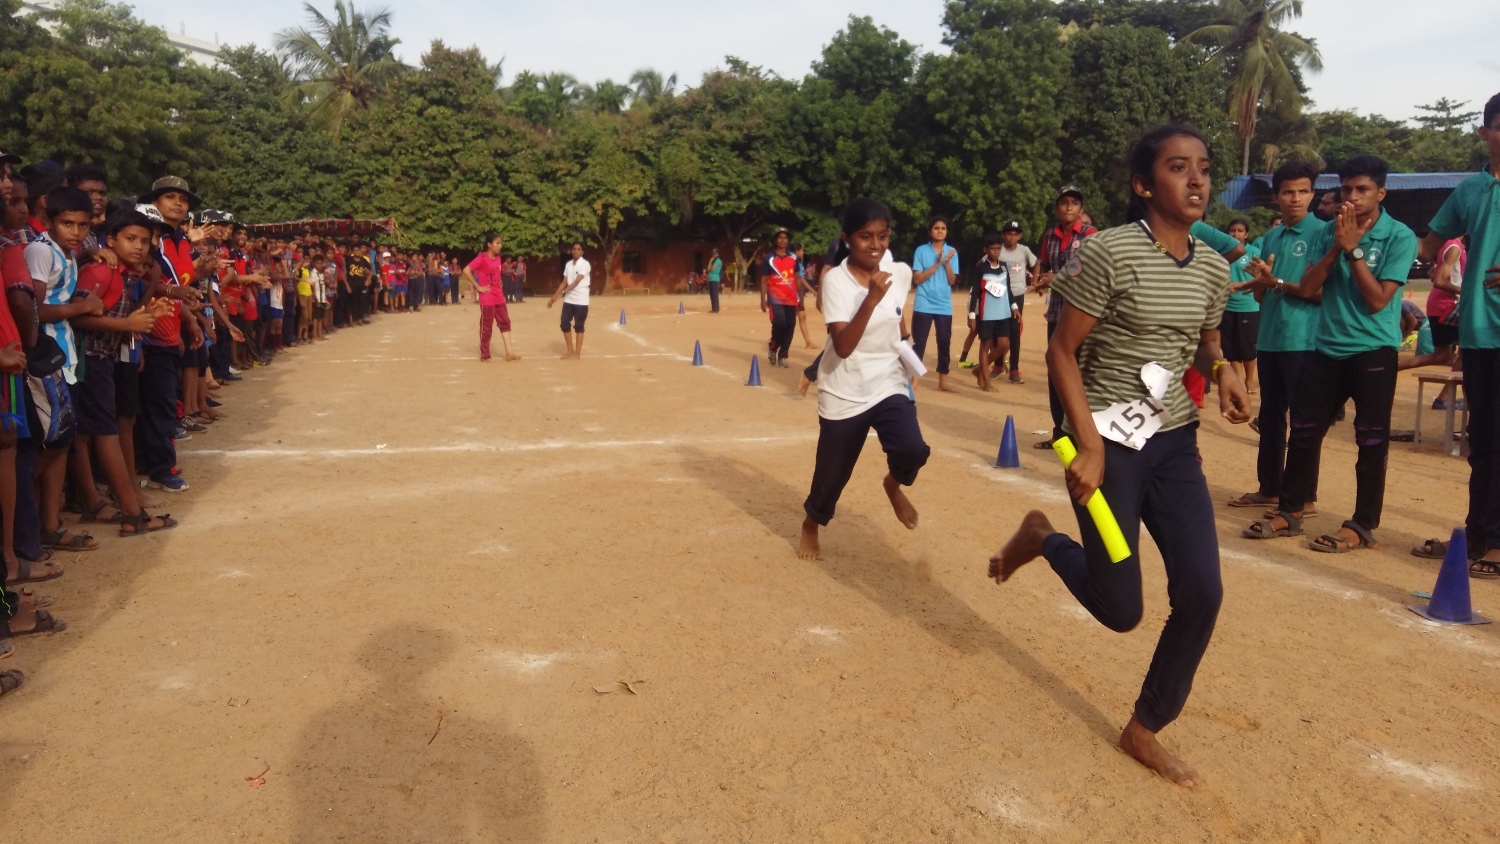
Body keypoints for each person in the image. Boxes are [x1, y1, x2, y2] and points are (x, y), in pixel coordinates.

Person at [991, 123, 1250, 789]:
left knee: (1202, 592)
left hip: (1173, 442)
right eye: (1176, 168)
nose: (1196, 180)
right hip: (1105, 443)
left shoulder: (1215, 267)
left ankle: (1145, 727)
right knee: (1120, 608)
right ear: (1143, 184)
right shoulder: (1107, 254)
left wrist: (1220, 369)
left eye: (1202, 167)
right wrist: (1088, 444)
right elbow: (1060, 351)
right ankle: (1041, 537)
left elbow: (1203, 340)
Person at [1242, 154, 1418, 552]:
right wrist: (1337, 248)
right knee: (1304, 433)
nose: (1352, 198)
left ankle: (1362, 524)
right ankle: (1290, 512)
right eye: (1347, 190)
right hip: (1327, 348)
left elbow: (1376, 301)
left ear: (1381, 192)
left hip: (1373, 350)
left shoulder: (1399, 236)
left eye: (1362, 190)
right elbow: (1307, 288)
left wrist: (1354, 251)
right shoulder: (1330, 232)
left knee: (1371, 442)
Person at [799, 198, 929, 561]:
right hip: (844, 389)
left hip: (887, 382)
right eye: (865, 236)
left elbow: (898, 318)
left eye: (883, 236)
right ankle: (811, 524)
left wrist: (910, 360)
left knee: (912, 449)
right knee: (832, 476)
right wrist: (870, 298)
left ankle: (893, 483)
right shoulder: (835, 282)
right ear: (847, 239)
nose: (875, 245)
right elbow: (842, 346)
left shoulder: (897, 272)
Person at [1410, 92, 1500, 576]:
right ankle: (1477, 537)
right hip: (1481, 331)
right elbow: (1429, 240)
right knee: (1481, 439)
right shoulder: (1469, 190)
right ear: (1485, 132)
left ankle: (1495, 542)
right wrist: (1430, 256)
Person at [1225, 160, 1326, 514]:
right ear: (1276, 197)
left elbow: (1321, 292)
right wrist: (1258, 283)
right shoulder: (1271, 237)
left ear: (1312, 194)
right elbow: (1261, 295)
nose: (1295, 199)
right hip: (1270, 338)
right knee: (1271, 419)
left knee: (1303, 422)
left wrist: (1274, 282)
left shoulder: (1323, 234)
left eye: (1302, 191)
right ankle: (1270, 487)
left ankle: (1305, 496)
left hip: (1305, 340)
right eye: (1287, 192)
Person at [69, 209, 177, 536]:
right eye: (131, 239)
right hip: (88, 360)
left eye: (145, 241)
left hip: (99, 360)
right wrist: (127, 324)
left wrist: (144, 314)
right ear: (111, 240)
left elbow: (115, 313)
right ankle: (132, 513)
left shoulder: (124, 275)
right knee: (106, 434)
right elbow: (78, 317)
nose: (139, 247)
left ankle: (114, 506)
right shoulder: (101, 272)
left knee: (97, 433)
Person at [1033, 186, 1099, 447]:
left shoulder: (1090, 235)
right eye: (1064, 202)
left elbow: (1088, 265)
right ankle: (1060, 434)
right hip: (1057, 313)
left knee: (1083, 374)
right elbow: (1046, 264)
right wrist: (1040, 280)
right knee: (1056, 373)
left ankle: (1085, 435)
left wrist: (1056, 278)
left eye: (1074, 203)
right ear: (1056, 208)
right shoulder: (1050, 235)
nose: (1069, 207)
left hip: (1083, 312)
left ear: (1081, 209)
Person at [910, 215, 960, 392]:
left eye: (943, 228)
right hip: (923, 302)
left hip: (943, 305)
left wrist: (945, 262)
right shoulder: (921, 251)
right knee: (919, 342)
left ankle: (942, 380)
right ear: (930, 231)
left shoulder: (952, 252)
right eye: (936, 228)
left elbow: (952, 281)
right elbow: (917, 279)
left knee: (944, 342)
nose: (940, 231)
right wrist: (937, 263)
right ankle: (913, 378)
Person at [966, 231, 1018, 393]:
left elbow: (1008, 289)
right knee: (985, 345)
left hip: (1003, 313)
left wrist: (1014, 307)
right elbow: (975, 292)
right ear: (985, 250)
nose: (996, 251)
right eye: (992, 249)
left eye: (998, 248)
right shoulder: (980, 268)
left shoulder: (1003, 266)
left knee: (1004, 344)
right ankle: (986, 381)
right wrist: (972, 315)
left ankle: (979, 369)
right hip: (987, 313)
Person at [462, 233, 521, 362]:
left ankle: (509, 352)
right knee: (486, 326)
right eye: (497, 243)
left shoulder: (499, 258)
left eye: (500, 243)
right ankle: (485, 354)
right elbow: (466, 270)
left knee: (505, 322)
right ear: (489, 244)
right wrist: (478, 287)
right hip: (487, 296)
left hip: (498, 295)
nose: (500, 245)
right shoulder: (482, 258)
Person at [1219, 219, 1261, 393]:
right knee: (1231, 348)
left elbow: (1261, 277)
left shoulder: (1254, 253)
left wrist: (1242, 285)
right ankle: (1238, 379)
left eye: (1240, 231)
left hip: (1248, 306)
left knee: (1247, 347)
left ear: (1247, 234)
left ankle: (1249, 380)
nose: (1235, 234)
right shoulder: (1222, 252)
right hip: (1227, 306)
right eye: (1232, 230)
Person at [759, 230, 802, 368]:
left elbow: (797, 279)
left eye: (785, 238)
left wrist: (800, 298)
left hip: (791, 297)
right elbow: (764, 279)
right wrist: (763, 299)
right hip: (775, 297)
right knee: (780, 323)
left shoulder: (794, 258)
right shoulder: (769, 258)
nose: (783, 240)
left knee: (790, 325)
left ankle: (783, 355)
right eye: (780, 238)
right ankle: (773, 347)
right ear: (775, 240)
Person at [548, 242, 590, 359]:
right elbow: (563, 283)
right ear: (571, 251)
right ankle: (570, 350)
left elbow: (576, 282)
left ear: (582, 252)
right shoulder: (569, 265)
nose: (576, 251)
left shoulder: (585, 265)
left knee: (579, 326)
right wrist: (553, 298)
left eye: (579, 249)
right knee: (564, 323)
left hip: (581, 300)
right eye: (574, 249)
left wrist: (562, 293)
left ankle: (577, 353)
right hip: (569, 300)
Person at [705, 248, 723, 313]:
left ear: (717, 254)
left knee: (715, 294)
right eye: (712, 254)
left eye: (714, 254)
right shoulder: (713, 261)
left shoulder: (718, 260)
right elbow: (708, 269)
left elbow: (712, 269)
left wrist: (710, 269)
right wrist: (710, 261)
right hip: (711, 279)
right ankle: (713, 308)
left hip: (715, 279)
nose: (713, 255)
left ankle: (716, 309)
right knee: (711, 295)